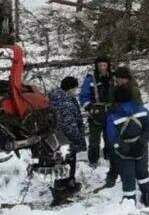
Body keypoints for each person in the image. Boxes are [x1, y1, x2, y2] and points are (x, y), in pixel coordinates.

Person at [106, 86, 149, 206]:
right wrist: (142, 143)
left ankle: (129, 203)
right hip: (141, 147)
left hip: (124, 152)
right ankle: (147, 197)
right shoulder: (142, 109)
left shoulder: (112, 115)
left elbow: (112, 137)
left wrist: (127, 150)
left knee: (128, 176)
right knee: (143, 172)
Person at [80, 55, 118, 187]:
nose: (102, 67)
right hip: (96, 113)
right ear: (97, 66)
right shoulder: (90, 79)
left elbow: (119, 93)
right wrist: (90, 108)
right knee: (94, 139)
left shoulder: (113, 78)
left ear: (108, 66)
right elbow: (83, 96)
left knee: (110, 138)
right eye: (100, 65)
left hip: (111, 113)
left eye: (104, 65)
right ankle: (93, 161)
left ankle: (109, 158)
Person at [48, 76, 86, 205]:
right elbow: (70, 126)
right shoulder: (65, 103)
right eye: (75, 88)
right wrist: (78, 139)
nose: (76, 91)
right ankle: (61, 193)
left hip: (57, 140)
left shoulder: (57, 99)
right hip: (66, 140)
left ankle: (68, 186)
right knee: (67, 164)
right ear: (70, 89)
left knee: (61, 163)